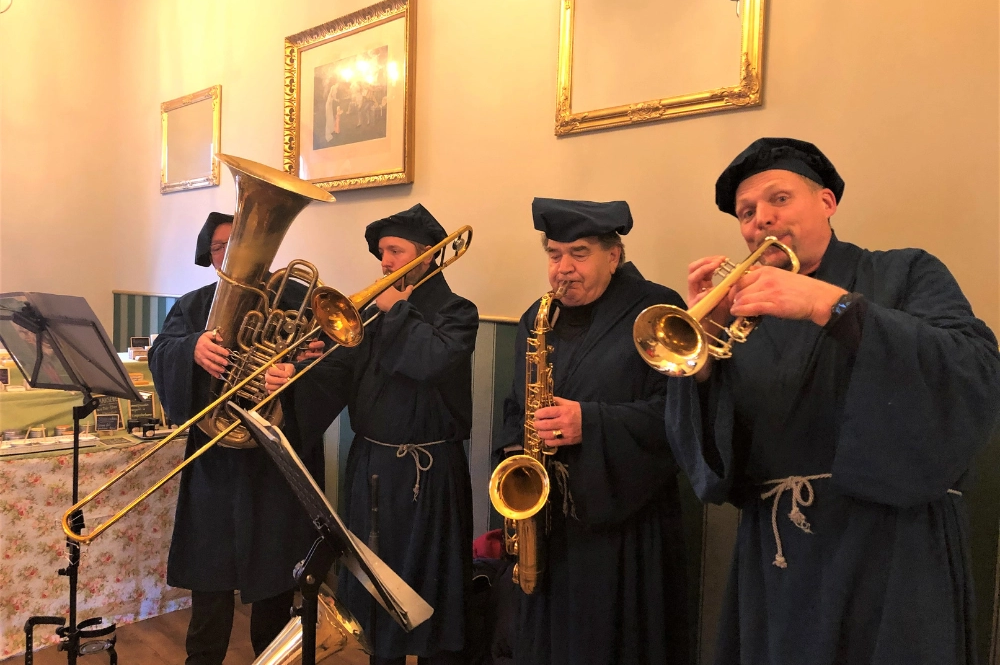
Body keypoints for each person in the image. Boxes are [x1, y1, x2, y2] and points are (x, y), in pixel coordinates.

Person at [664, 137, 1000, 665]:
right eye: (747, 213)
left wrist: (833, 306)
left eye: (779, 199)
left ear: (827, 203)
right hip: (780, 552)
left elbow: (971, 369)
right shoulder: (743, 314)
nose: (761, 222)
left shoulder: (906, 271)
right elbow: (716, 459)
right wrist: (702, 357)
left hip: (891, 546)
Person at [265, 203, 479, 665]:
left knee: (432, 587)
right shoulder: (372, 316)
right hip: (373, 467)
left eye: (395, 250)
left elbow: (431, 362)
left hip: (430, 475)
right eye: (382, 251)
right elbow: (338, 376)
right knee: (375, 594)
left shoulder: (458, 312)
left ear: (426, 255)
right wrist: (293, 381)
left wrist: (399, 309)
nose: (384, 261)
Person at [495, 198, 690, 665]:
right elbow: (514, 405)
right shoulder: (539, 316)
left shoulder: (657, 311)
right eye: (554, 254)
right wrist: (517, 459)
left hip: (623, 528)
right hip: (549, 520)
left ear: (613, 256)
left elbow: (679, 415)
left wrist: (592, 421)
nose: (563, 269)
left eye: (579, 254)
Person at [148, 211, 325, 664]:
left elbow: (328, 367)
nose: (234, 253)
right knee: (210, 583)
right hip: (215, 461)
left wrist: (296, 372)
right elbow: (162, 352)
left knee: (275, 581)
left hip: (273, 464)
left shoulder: (298, 300)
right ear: (211, 256)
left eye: (242, 242)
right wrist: (191, 348)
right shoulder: (193, 305)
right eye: (222, 246)